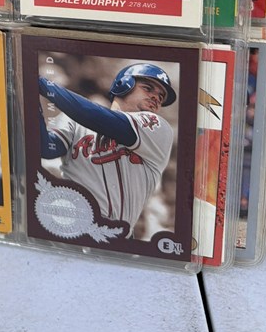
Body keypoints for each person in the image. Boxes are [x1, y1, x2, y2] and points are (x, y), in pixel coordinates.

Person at [39, 63, 176, 235]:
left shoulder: (158, 129)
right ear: (123, 85)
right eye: (148, 88)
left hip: (115, 238)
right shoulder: (72, 120)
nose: (156, 97)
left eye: (161, 96)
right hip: (70, 227)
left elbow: (94, 116)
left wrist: (42, 84)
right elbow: (47, 148)